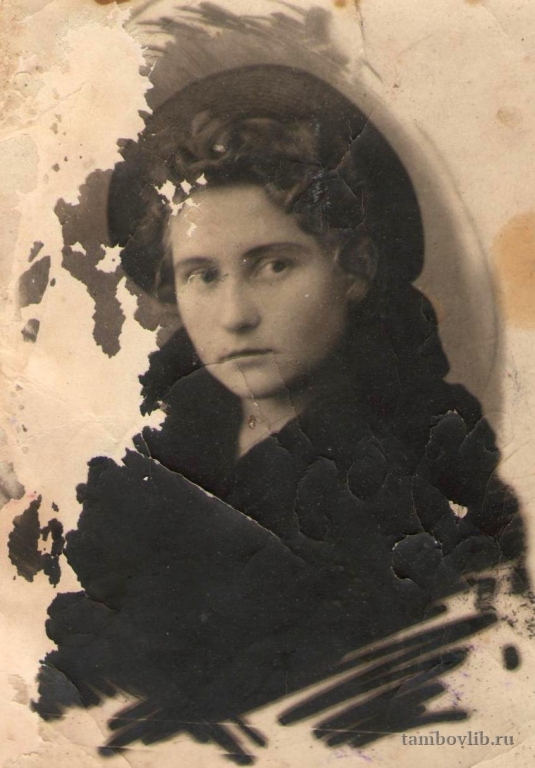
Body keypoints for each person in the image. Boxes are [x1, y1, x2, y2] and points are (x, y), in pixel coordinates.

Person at [35, 65, 527, 760]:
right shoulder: (140, 451)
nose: (234, 315)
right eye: (202, 275)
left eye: (272, 265)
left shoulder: (435, 479)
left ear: (353, 268)